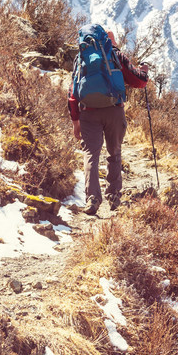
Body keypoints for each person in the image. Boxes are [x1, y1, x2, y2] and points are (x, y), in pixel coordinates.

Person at [68, 29, 148, 215]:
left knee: (90, 155)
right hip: (114, 111)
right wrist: (144, 71)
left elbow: (72, 92)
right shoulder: (115, 55)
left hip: (88, 112)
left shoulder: (81, 58)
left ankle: (92, 199)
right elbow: (138, 81)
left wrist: (75, 121)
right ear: (109, 41)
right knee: (114, 152)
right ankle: (113, 195)